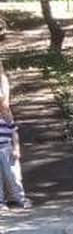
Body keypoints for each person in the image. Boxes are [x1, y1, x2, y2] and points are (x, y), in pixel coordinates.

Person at [0, 57, 28, 209]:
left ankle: (18, 198)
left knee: (12, 174)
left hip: (5, 145)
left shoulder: (5, 112)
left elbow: (4, 100)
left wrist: (16, 147)